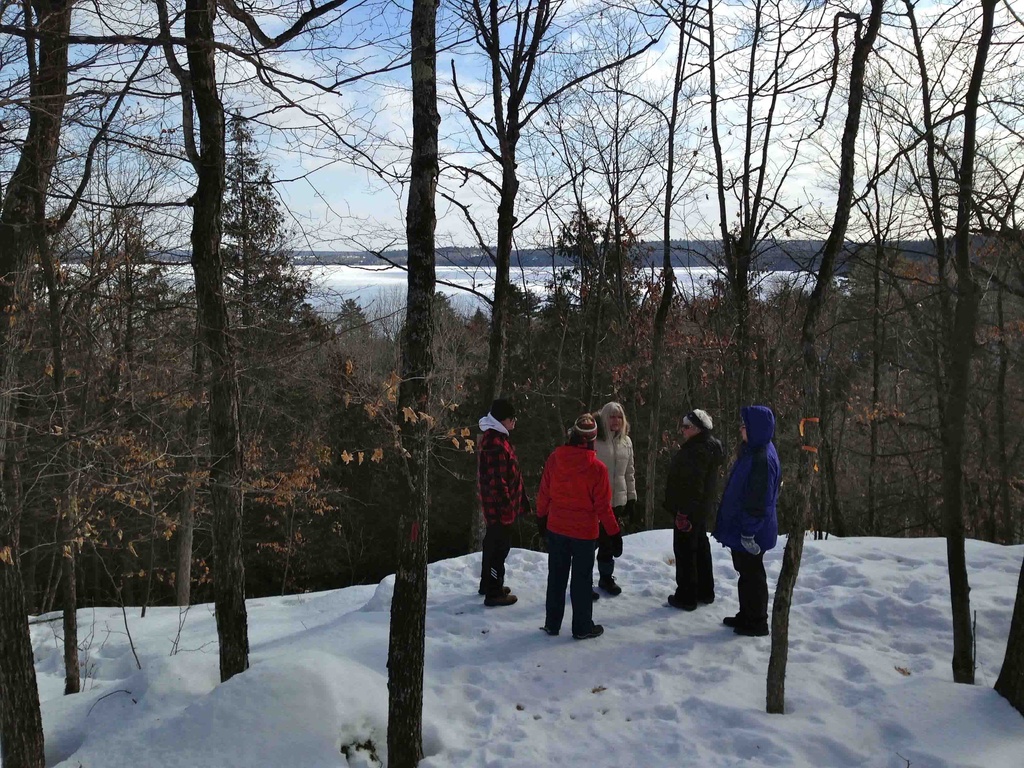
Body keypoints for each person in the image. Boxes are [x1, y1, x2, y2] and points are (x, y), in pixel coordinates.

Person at [537, 414, 622, 639]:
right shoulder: (597, 469)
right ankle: (582, 627)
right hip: (584, 534)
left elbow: (544, 492)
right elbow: (604, 508)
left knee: (556, 576)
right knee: (581, 580)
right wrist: (614, 533)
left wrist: (541, 518)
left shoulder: (555, 458)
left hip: (556, 528)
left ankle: (552, 624)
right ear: (592, 440)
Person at [713, 405, 781, 637]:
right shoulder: (753, 450)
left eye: (745, 425)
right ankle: (747, 613)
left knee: (753, 574)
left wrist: (748, 533)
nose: (741, 428)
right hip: (747, 527)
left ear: (755, 429)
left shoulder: (761, 458)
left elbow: (758, 501)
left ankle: (757, 621)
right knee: (746, 572)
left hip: (752, 531)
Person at [664, 409, 725, 611]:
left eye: (686, 427)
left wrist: (683, 512)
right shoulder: (707, 447)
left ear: (697, 429)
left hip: (689, 510)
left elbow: (693, 485)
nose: (682, 430)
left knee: (685, 551)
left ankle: (687, 596)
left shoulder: (696, 450)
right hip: (701, 509)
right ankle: (705, 591)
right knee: (700, 548)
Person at [477, 398, 529, 607]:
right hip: (499, 509)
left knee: (492, 545)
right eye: (512, 419)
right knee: (499, 548)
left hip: (495, 508)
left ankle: (488, 583)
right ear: (504, 420)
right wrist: (507, 508)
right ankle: (494, 590)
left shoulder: (496, 439)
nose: (514, 422)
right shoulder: (496, 444)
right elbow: (499, 483)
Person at [593, 402, 637, 596]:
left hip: (617, 501)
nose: (616, 420)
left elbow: (630, 472)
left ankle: (606, 578)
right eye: (611, 416)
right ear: (604, 418)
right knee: (589, 543)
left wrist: (632, 497)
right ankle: (582, 580)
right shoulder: (594, 440)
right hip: (595, 502)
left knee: (608, 543)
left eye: (619, 417)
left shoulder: (626, 441)